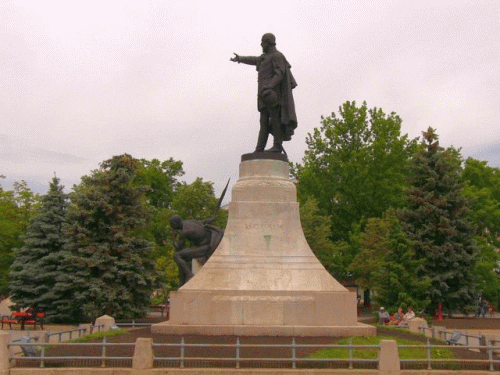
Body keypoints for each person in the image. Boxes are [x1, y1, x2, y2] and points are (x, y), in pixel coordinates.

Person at [230, 33, 297, 153]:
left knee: (275, 119)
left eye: (262, 42)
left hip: (272, 95)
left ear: (268, 42)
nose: (261, 45)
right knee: (263, 122)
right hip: (263, 94)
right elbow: (254, 60)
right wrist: (240, 58)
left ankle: (277, 145)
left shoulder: (277, 56)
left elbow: (279, 73)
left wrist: (269, 86)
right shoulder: (264, 57)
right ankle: (259, 149)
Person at [170, 215, 223, 286]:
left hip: (205, 248)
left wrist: (173, 238)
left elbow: (178, 248)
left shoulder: (184, 232)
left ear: (176, 223)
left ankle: (189, 275)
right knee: (183, 257)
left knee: (177, 256)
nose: (172, 227)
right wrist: (212, 218)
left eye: (172, 224)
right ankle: (182, 283)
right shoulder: (190, 222)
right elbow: (204, 221)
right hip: (209, 243)